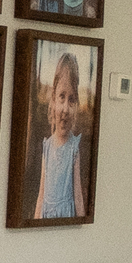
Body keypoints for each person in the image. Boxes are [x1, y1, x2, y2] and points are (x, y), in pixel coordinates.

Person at [37, 52, 90, 220]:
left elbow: (78, 197)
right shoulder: (47, 146)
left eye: (72, 99)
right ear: (53, 100)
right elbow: (41, 195)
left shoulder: (73, 148)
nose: (65, 109)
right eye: (61, 97)